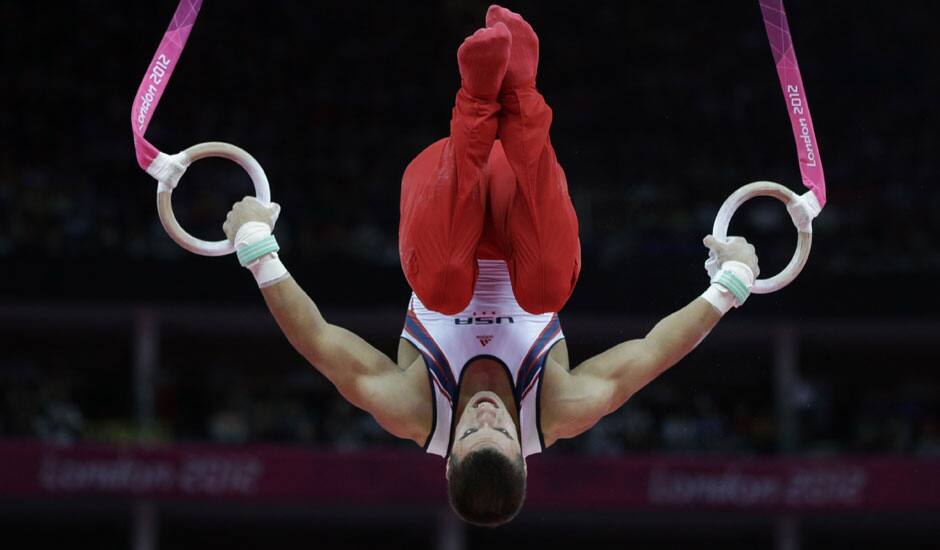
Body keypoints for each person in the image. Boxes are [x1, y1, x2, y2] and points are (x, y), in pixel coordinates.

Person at [222, 5, 759, 527]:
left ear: (449, 455)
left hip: (449, 186)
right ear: (523, 454)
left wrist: (256, 247)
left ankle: (478, 97)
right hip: (521, 198)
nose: (484, 415)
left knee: (446, 287)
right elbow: (653, 352)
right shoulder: (561, 408)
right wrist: (730, 284)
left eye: (471, 431)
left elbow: (317, 341)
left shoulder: (410, 409)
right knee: (546, 287)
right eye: (500, 431)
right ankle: (520, 90)